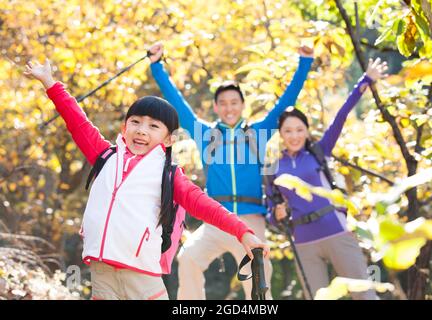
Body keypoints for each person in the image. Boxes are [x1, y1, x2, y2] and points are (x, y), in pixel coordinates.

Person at [24, 58, 269, 300]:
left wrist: (243, 232)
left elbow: (205, 205)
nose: (142, 130)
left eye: (154, 126)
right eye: (136, 122)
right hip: (101, 270)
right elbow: (78, 122)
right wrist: (50, 83)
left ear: (168, 139)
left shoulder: (169, 174)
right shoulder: (105, 156)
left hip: (140, 273)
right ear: (124, 128)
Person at [147, 42, 314, 299]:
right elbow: (177, 103)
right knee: (188, 258)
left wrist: (304, 63)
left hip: (251, 220)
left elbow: (285, 104)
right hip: (217, 219)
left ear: (242, 105)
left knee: (258, 281)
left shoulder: (258, 132)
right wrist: (157, 66)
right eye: (223, 103)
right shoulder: (205, 134)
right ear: (215, 107)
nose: (229, 108)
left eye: (234, 102)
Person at [265, 58, 388, 300]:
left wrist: (365, 80)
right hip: (303, 243)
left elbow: (341, 116)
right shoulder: (273, 169)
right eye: (288, 131)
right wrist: (275, 215)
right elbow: (271, 212)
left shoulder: (318, 152)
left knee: (365, 295)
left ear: (307, 131)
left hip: (337, 233)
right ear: (280, 134)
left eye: (299, 129)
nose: (294, 135)